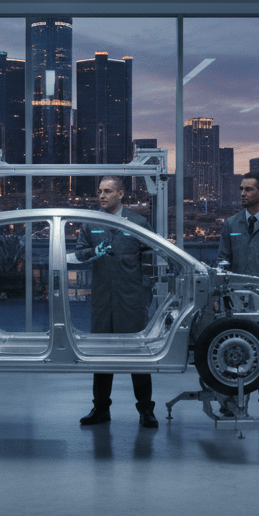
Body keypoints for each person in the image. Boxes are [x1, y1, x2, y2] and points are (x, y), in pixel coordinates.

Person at [74, 176, 157, 428]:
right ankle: (100, 409)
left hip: (131, 299)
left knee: (137, 357)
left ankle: (145, 410)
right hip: (102, 299)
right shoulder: (91, 224)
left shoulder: (138, 222)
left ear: (121, 195)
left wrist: (146, 292)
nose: (101, 196)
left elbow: (152, 254)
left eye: (107, 191)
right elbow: (79, 253)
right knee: (101, 356)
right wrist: (96, 251)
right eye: (99, 191)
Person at [214, 171, 259, 419]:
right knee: (232, 351)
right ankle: (231, 403)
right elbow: (223, 261)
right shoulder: (231, 224)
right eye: (241, 189)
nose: (243, 194)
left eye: (248, 190)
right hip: (233, 303)